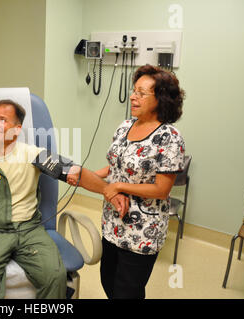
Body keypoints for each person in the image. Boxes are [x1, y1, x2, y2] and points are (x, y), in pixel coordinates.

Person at [0, 99, 128, 299]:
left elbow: (74, 172)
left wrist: (108, 190)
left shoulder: (33, 155)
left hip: (28, 230)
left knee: (54, 276)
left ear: (17, 129)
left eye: (2, 120)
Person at [69, 64, 185, 299]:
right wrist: (88, 175)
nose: (133, 96)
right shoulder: (125, 127)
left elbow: (162, 190)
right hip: (113, 220)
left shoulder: (170, 138)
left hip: (143, 229)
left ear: (161, 99)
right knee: (108, 279)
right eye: (134, 90)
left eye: (142, 93)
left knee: (128, 291)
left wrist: (118, 186)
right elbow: (116, 166)